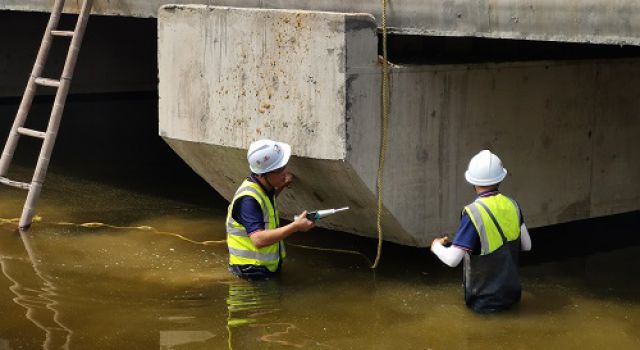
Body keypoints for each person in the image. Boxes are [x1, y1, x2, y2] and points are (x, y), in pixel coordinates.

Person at [431, 150, 532, 313]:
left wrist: (435, 246)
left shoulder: (474, 214)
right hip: (513, 299)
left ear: (472, 181)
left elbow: (452, 260)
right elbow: (527, 245)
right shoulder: (512, 205)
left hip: (485, 307)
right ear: (500, 179)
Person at [227, 139, 315, 281]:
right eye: (279, 170)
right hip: (251, 273)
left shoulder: (261, 188)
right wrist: (295, 226)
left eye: (284, 167)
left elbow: (264, 204)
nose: (285, 172)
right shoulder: (248, 201)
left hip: (262, 269)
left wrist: (281, 185)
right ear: (263, 174)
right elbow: (258, 239)